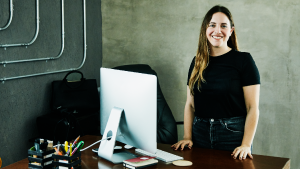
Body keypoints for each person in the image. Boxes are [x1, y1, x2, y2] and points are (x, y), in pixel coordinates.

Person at [171, 5, 260, 161]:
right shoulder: (196, 62)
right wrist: (187, 136)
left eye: (223, 26)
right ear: (205, 29)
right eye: (212, 25)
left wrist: (246, 144)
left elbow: (252, 108)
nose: (217, 31)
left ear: (231, 31)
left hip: (233, 136)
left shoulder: (244, 60)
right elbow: (190, 105)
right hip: (199, 135)